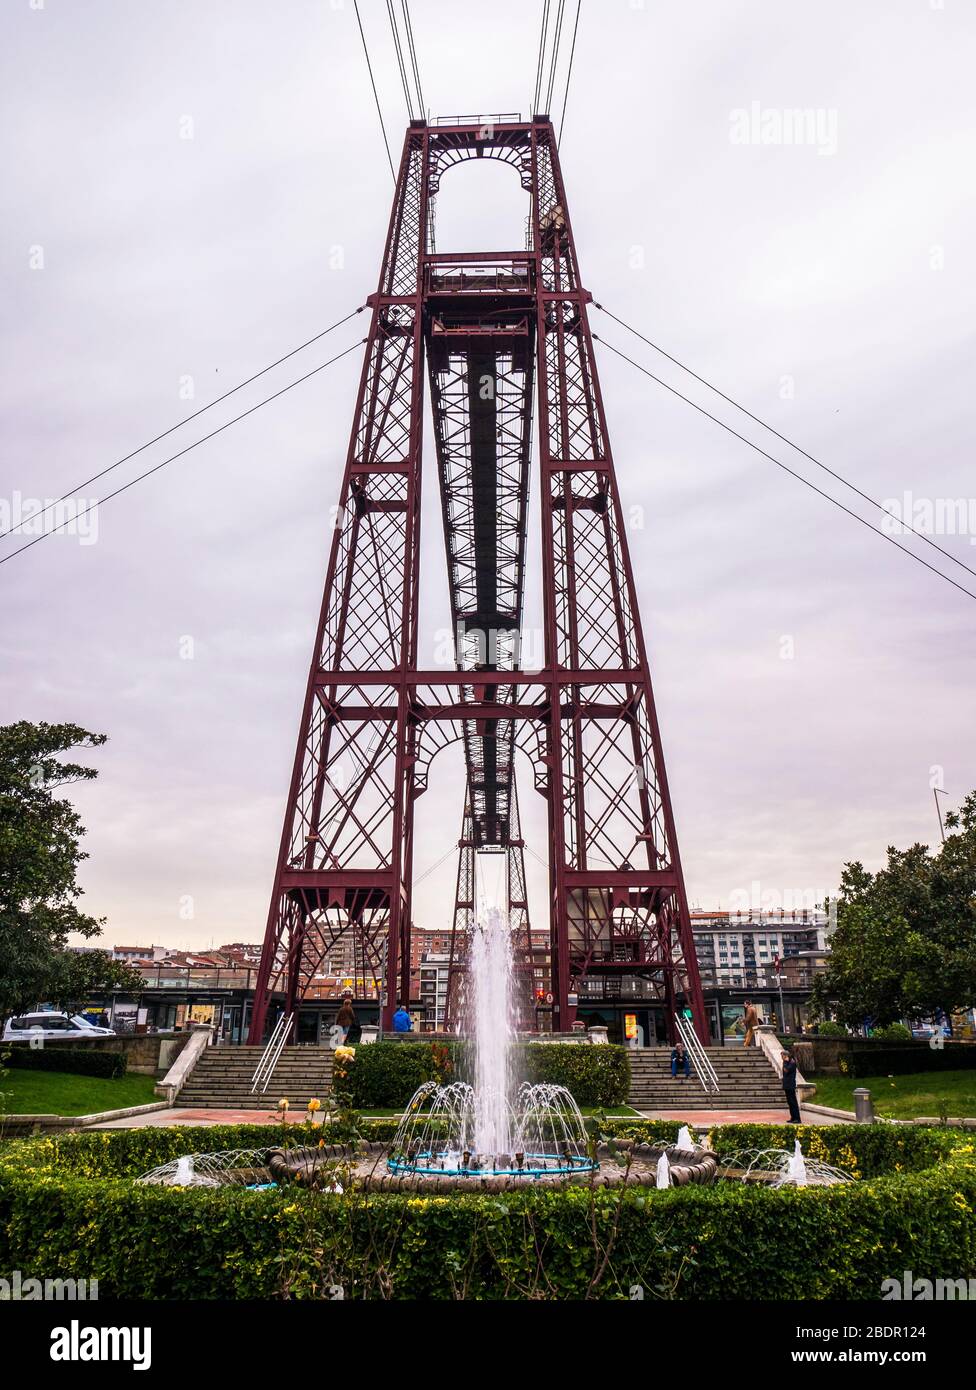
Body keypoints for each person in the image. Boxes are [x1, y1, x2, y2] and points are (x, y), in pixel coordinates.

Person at [781, 1048, 802, 1124]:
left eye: (782, 1055)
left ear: (786, 1055)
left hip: (791, 1085)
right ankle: (793, 1117)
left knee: (793, 1102)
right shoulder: (786, 1062)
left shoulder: (792, 1062)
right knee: (790, 1102)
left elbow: (786, 1070)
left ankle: (797, 1118)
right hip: (787, 1085)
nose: (782, 1057)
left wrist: (785, 1063)